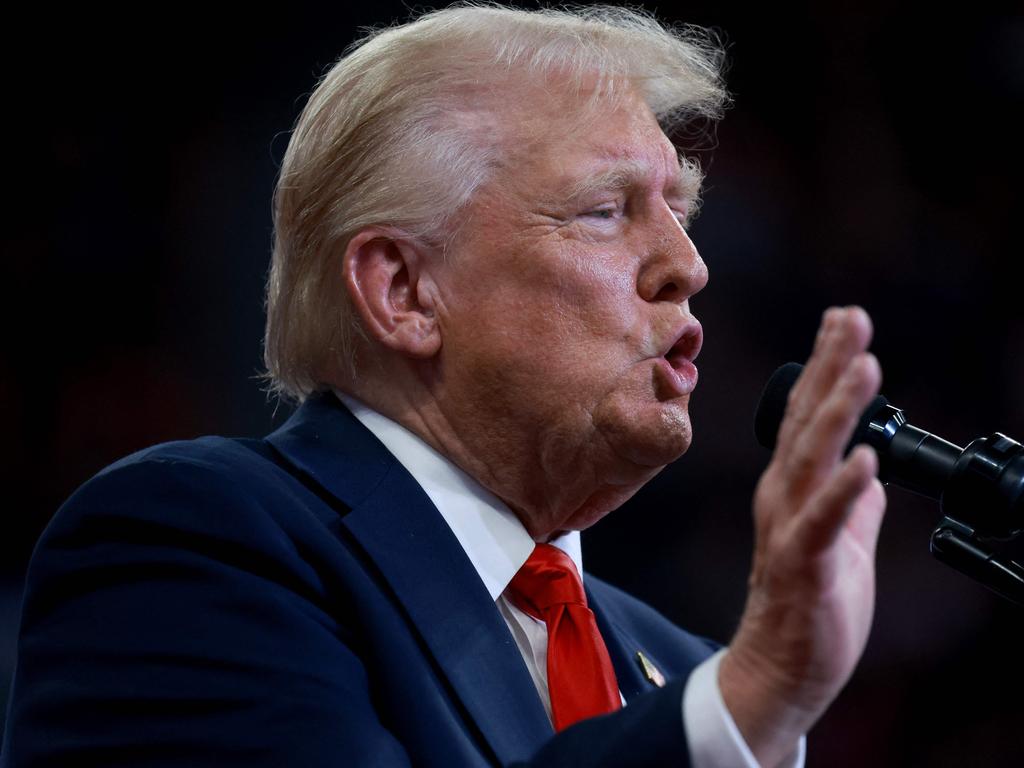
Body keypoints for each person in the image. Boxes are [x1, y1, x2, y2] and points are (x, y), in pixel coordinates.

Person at [1, 5, 886, 767]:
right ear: (404, 292)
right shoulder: (189, 548)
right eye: (606, 210)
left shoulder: (675, 665)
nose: (687, 266)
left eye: (680, 213)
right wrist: (742, 709)